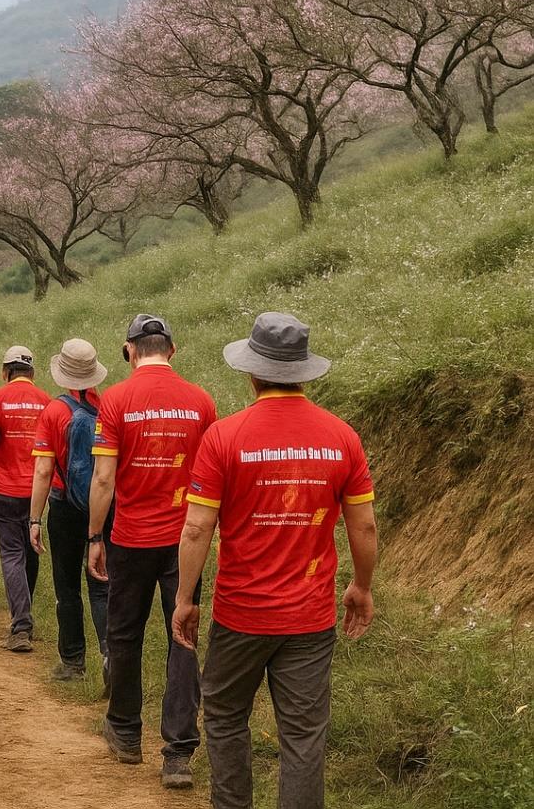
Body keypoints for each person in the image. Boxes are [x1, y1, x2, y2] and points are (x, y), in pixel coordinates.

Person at [173, 313, 378, 809]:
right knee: (304, 736)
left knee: (224, 717)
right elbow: (365, 527)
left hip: (240, 614)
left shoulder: (223, 437)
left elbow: (198, 527)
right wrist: (362, 587)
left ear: (252, 371)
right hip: (308, 619)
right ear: (303, 372)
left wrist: (184, 598)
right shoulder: (342, 437)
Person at [87, 314, 217, 790]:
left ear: (128, 351)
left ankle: (124, 731)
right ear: (173, 350)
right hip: (186, 540)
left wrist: (95, 536)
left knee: (124, 634)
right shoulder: (202, 401)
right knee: (182, 634)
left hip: (131, 538)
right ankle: (179, 753)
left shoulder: (116, 400)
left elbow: (103, 478)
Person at [30, 338, 111, 685]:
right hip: (101, 504)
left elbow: (44, 471)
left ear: (63, 375)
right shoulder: (105, 407)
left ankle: (73, 663)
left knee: (67, 587)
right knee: (101, 582)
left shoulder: (53, 412)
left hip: (64, 506)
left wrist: (34, 517)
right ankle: (111, 655)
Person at [0, 345, 51, 652]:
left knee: (12, 554)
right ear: (32, 373)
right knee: (31, 550)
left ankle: (20, 624)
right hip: (38, 492)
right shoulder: (47, 401)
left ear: (5, 372)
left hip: (4, 489)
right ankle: (24, 617)